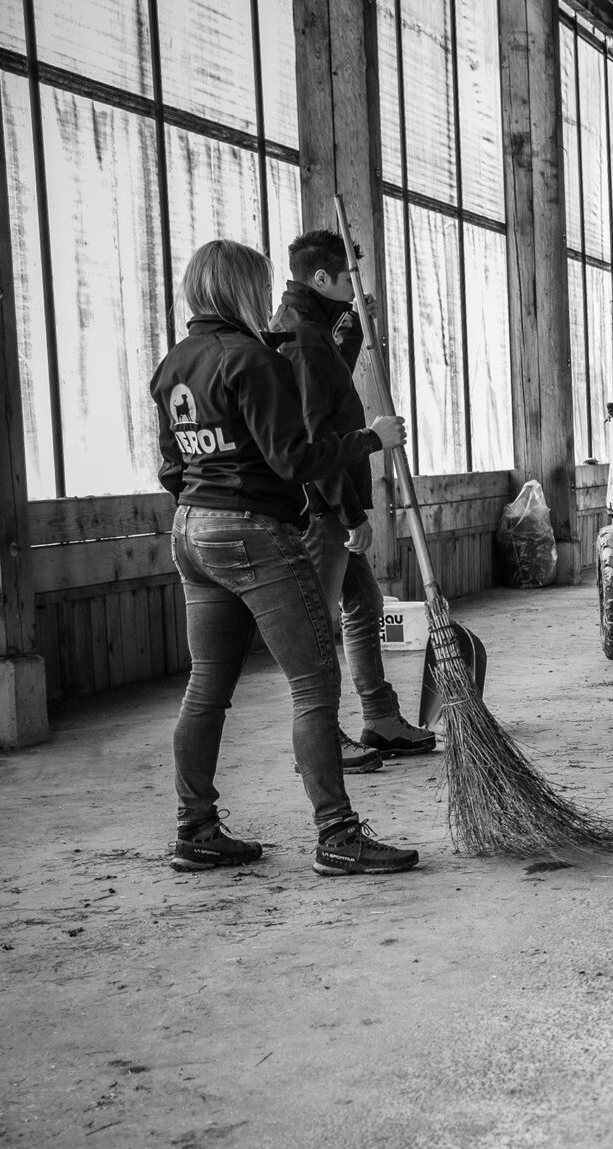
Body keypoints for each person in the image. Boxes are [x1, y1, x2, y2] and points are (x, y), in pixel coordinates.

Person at [151, 238, 422, 876]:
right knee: (314, 682)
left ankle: (196, 829)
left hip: (191, 528)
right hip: (251, 531)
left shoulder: (173, 365)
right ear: (241, 288)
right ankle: (337, 833)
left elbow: (171, 465)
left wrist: (206, 498)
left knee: (206, 687)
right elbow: (295, 459)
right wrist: (369, 441)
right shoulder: (250, 359)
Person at [268, 229, 437, 768]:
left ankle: (380, 718)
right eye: (348, 277)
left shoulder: (308, 324)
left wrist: (357, 328)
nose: (355, 284)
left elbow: (331, 384)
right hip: (324, 506)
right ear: (322, 277)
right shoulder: (305, 337)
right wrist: (349, 512)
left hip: (336, 499)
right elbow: (315, 434)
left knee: (364, 604)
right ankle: (321, 739)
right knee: (319, 626)